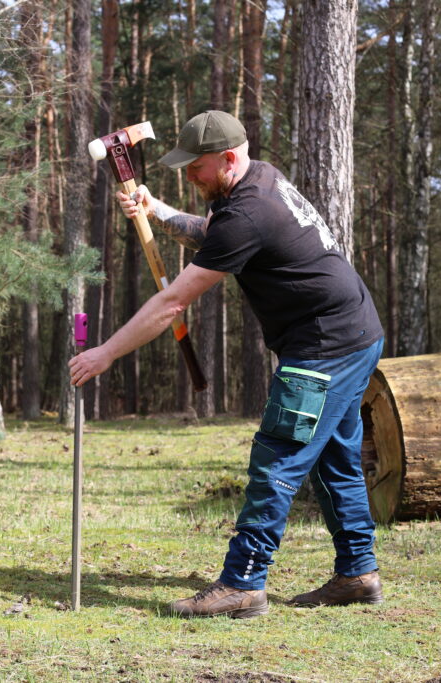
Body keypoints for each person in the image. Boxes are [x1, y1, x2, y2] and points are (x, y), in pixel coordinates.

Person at [69, 110, 385, 619]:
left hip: (324, 349)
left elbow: (173, 302)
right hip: (355, 336)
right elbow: (210, 235)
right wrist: (155, 209)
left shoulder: (250, 211)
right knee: (336, 462)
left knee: (277, 461)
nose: (189, 176)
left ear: (229, 158)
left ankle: (243, 583)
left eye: (197, 167)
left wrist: (105, 352)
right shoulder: (259, 180)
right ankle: (358, 573)